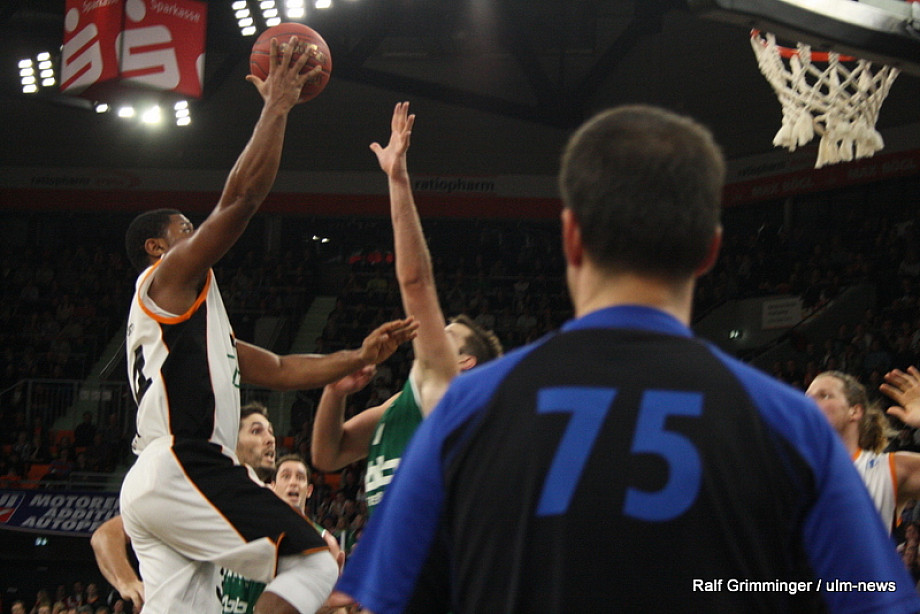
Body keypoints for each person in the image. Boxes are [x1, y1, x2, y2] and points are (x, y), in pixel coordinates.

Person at [331, 105, 920, 613]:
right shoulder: (792, 426)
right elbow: (870, 595)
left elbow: (387, 599)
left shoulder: (464, 414)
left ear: (570, 237)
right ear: (710, 249)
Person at [117, 36, 417, 614]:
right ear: (157, 247)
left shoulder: (188, 325)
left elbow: (278, 368)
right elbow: (241, 201)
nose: (194, 234)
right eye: (184, 229)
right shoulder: (166, 277)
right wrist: (277, 106)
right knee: (315, 560)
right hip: (184, 461)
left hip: (151, 482)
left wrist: (359, 356)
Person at [311, 102, 502, 516]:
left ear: (464, 362)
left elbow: (416, 282)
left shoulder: (450, 393)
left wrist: (397, 179)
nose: (429, 336)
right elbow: (328, 455)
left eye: (444, 337)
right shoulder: (400, 405)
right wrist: (334, 392)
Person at [92, 404, 343, 613]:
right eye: (256, 431)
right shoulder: (192, 490)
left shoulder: (261, 509)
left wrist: (319, 597)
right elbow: (106, 534)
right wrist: (127, 581)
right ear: (230, 440)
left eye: (271, 432)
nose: (270, 439)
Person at [222, 454, 347, 614]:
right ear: (273, 486)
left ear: (309, 490)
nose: (293, 482)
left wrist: (324, 607)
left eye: (300, 478)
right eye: (286, 476)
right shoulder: (248, 525)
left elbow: (336, 607)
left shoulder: (324, 542)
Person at [805, 370, 920, 533]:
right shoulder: (788, 472)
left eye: (824, 395)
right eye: (807, 397)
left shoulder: (887, 470)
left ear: (855, 411)